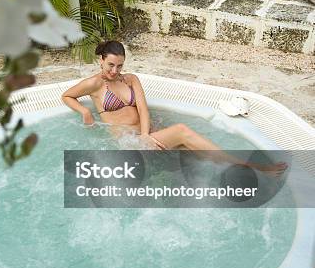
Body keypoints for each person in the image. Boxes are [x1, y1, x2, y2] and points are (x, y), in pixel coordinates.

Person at [61, 40, 286, 174]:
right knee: (182, 132)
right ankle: (253, 167)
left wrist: (148, 134)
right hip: (128, 142)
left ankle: (236, 171)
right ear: (101, 59)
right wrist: (85, 111)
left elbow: (143, 109)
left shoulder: (131, 79)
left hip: (146, 135)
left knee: (192, 152)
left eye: (119, 65)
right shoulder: (94, 84)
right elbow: (67, 96)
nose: (114, 71)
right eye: (110, 64)